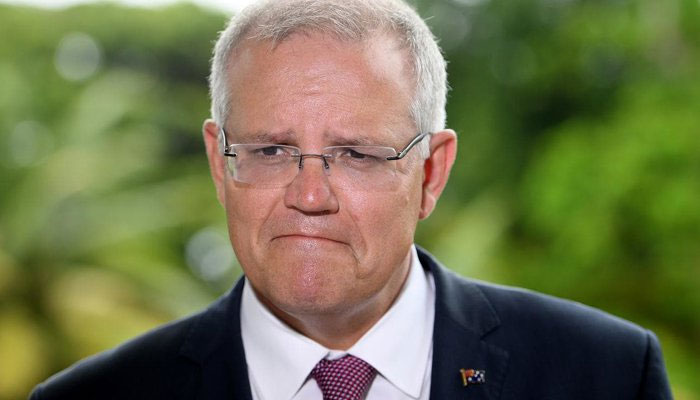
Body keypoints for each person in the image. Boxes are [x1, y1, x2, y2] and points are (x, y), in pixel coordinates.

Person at [30, 0, 672, 399]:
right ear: (219, 165)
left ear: (431, 173)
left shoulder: (607, 375)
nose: (310, 196)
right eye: (270, 150)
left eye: (358, 155)